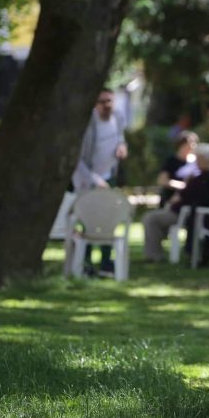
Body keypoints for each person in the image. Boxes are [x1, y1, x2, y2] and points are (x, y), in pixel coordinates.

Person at [72, 87, 128, 276]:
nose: (107, 105)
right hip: (88, 180)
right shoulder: (87, 124)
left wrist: (122, 146)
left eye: (109, 101)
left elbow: (121, 137)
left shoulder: (118, 118)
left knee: (109, 220)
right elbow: (77, 158)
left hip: (108, 177)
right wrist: (93, 179)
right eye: (102, 101)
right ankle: (86, 264)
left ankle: (106, 263)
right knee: (87, 221)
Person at [157, 131, 198, 207]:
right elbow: (162, 180)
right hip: (171, 197)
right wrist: (183, 186)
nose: (192, 147)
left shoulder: (196, 162)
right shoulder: (171, 161)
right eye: (190, 144)